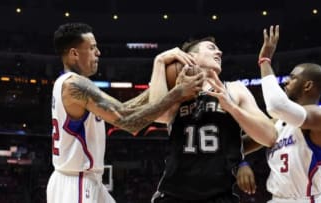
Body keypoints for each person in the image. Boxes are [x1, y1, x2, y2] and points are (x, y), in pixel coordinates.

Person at [46, 22, 205, 203]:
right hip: (76, 183)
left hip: (84, 180)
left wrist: (163, 73)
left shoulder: (71, 84)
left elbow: (125, 109)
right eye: (92, 48)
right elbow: (129, 122)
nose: (98, 52)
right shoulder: (75, 85)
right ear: (74, 53)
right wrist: (177, 93)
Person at [149, 37, 277, 203]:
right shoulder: (178, 88)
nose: (219, 52)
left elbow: (269, 137)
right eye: (211, 48)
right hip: (174, 195)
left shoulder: (234, 88)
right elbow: (158, 116)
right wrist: (159, 62)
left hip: (220, 195)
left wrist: (231, 107)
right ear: (191, 57)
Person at [242, 25, 321, 203]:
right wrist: (241, 163)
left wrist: (264, 61)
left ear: (307, 85)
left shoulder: (320, 118)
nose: (286, 81)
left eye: (292, 78)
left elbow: (276, 105)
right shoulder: (277, 122)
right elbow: (238, 147)